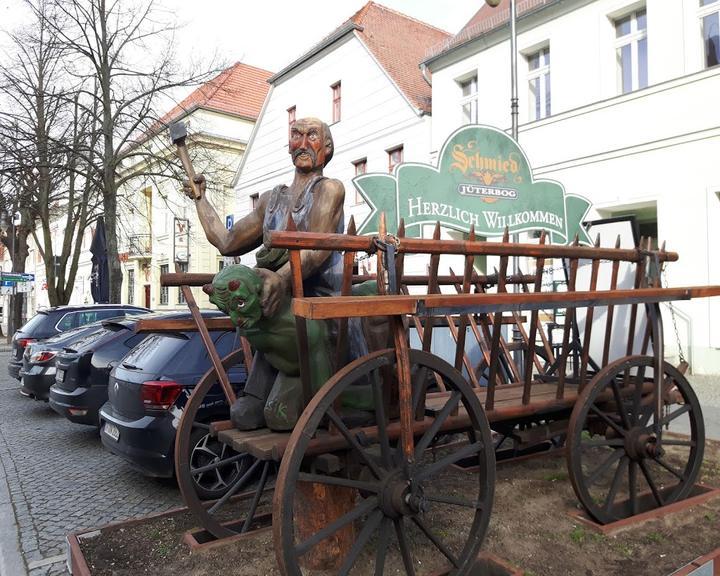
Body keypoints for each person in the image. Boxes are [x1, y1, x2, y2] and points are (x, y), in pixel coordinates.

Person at [185, 117, 346, 429]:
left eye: (312, 136)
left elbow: (317, 249)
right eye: (296, 136)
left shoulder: (330, 190)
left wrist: (280, 278)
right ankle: (262, 391)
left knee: (276, 414)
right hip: (276, 305)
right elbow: (227, 241)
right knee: (245, 414)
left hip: (321, 303)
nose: (302, 143)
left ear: (326, 148)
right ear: (289, 146)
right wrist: (200, 199)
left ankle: (301, 395)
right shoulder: (271, 200)